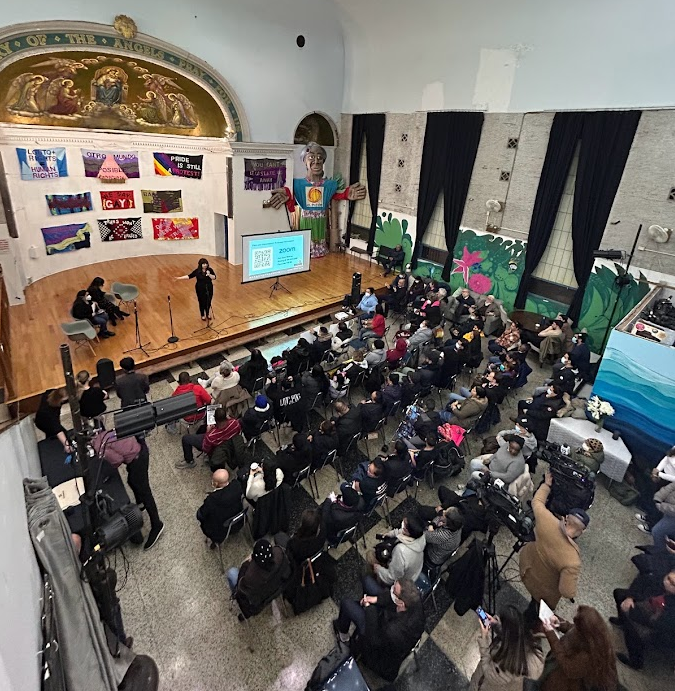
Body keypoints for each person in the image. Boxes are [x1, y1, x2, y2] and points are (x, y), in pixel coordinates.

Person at [519, 472, 589, 619]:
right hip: (543, 592)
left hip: (526, 567)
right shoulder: (572, 561)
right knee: (533, 615)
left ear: (566, 518)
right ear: (583, 531)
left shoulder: (546, 520)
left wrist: (547, 484)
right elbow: (567, 592)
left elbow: (537, 502)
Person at [334, 578, 425, 681]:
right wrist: (376, 599)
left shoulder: (394, 630)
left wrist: (369, 608)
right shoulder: (415, 600)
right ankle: (362, 606)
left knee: (347, 604)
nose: (391, 589)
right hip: (387, 622)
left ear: (401, 603)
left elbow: (373, 637)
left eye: (394, 590)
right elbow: (392, 600)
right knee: (367, 581)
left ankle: (344, 636)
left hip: (377, 648)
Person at [92, 431, 164, 550]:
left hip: (137, 459)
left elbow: (117, 460)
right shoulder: (101, 435)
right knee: (132, 481)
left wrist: (106, 459)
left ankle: (157, 524)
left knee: (145, 492)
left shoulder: (99, 447)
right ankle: (141, 503)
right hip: (138, 448)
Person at [540, 606, 618, 691]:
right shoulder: (595, 633)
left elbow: (568, 668)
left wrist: (551, 635)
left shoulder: (589, 656)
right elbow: (574, 629)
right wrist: (560, 624)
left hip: (579, 683)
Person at [611, 567, 675, 670]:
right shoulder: (660, 579)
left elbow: (664, 623)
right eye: (668, 579)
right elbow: (641, 581)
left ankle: (636, 661)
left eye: (673, 584)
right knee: (619, 594)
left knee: (634, 628)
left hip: (661, 627)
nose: (668, 583)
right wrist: (630, 598)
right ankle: (622, 621)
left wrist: (636, 615)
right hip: (646, 606)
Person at [469, 605, 544, 691]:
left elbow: (489, 673)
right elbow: (512, 635)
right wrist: (496, 625)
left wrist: (484, 639)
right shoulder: (525, 644)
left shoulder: (506, 665)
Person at [226, 539, 292, 619]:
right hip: (274, 590)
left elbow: (241, 587)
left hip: (253, 605)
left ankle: (234, 595)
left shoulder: (250, 575)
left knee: (231, 572)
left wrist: (245, 564)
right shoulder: (279, 553)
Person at [369, 515, 426, 585]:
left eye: (404, 526)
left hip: (401, 582)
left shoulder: (401, 551)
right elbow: (401, 532)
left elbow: (392, 577)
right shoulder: (420, 535)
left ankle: (377, 582)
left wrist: (378, 569)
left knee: (370, 555)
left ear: (407, 531)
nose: (402, 525)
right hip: (413, 572)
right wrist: (389, 534)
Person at [176, 407, 241, 469]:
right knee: (202, 429)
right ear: (226, 416)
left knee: (186, 439)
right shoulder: (235, 423)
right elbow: (237, 432)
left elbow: (206, 448)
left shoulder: (211, 436)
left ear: (215, 419)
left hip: (214, 447)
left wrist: (208, 431)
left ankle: (189, 461)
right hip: (228, 444)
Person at [196, 469, 243, 545]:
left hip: (218, 531)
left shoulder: (212, 500)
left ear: (215, 483)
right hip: (238, 523)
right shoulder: (237, 485)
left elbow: (201, 515)